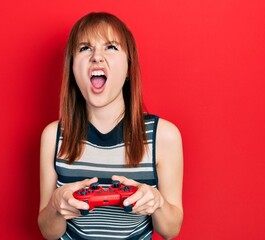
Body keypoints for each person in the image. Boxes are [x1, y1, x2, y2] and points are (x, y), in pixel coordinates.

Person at [38, 12, 183, 240]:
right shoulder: (53, 136)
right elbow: (48, 231)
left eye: (111, 47)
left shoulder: (164, 136)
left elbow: (171, 229)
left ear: (128, 68)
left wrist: (157, 202)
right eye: (85, 48)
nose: (97, 57)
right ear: (73, 68)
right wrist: (56, 205)